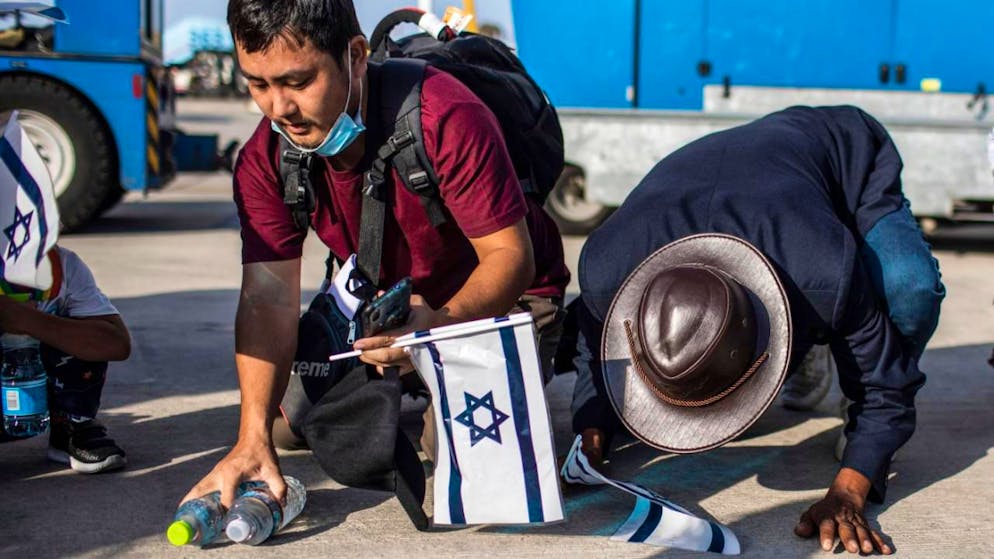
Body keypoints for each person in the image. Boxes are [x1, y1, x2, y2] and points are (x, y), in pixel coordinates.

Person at [184, 0, 569, 509]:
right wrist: (248, 437)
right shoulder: (268, 157)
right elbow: (266, 297)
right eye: (258, 84)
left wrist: (434, 325)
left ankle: (552, 345)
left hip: (498, 297)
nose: (278, 109)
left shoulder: (445, 117)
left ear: (356, 55)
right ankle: (408, 380)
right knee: (286, 428)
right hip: (386, 302)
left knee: (472, 466)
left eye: (298, 83)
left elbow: (508, 257)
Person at [569, 105, 944, 555]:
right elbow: (596, 356)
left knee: (909, 287)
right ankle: (813, 344)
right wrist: (589, 440)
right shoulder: (607, 269)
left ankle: (825, 348)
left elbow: (887, 387)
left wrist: (850, 488)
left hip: (842, 152)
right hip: (739, 176)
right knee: (831, 301)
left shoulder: (826, 274)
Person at [0, 246, 131, 473]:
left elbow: (115, 343)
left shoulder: (61, 265)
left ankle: (71, 424)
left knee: (84, 330)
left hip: (35, 388)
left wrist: (27, 320)